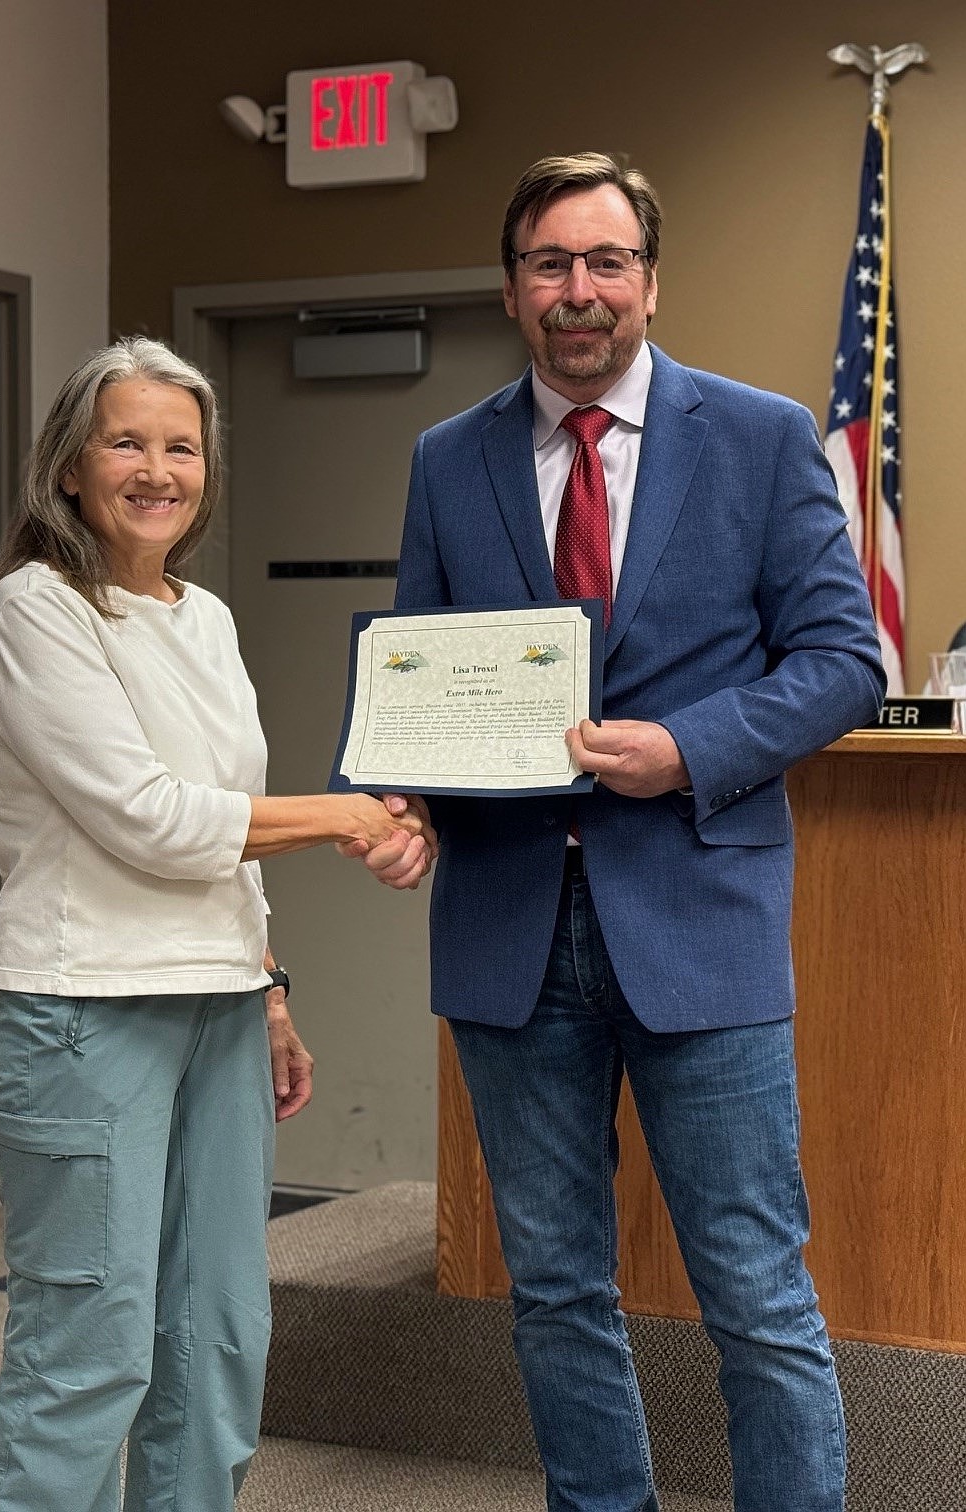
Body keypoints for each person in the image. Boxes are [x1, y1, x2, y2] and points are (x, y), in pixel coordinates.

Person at [367, 154, 886, 1511]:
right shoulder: (448, 458)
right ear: (511, 288)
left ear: (650, 283)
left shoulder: (762, 436)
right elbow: (421, 673)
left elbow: (843, 659)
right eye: (550, 264)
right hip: (505, 929)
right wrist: (398, 791)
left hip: (697, 919)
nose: (577, 291)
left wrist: (688, 750)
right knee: (553, 1290)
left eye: (604, 263)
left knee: (757, 1291)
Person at [0, 334, 434, 1512]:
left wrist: (269, 986)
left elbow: (224, 837)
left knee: (217, 1337)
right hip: (87, 1014)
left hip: (221, 1008)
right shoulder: (38, 608)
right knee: (91, 1344)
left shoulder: (206, 617)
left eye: (181, 447)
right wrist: (340, 817)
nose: (157, 469)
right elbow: (152, 819)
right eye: (126, 440)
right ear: (70, 464)